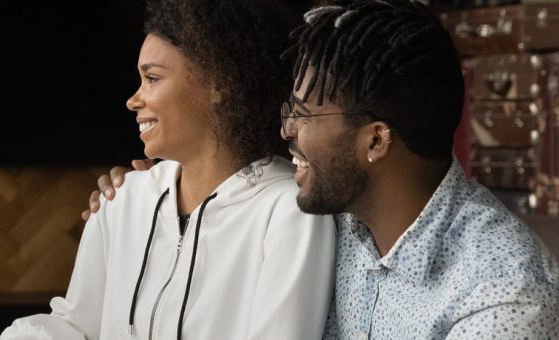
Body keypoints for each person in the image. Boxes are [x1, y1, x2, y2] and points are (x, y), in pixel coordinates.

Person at [91, 0, 559, 338]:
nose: (286, 130)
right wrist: (145, 196)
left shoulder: (503, 299)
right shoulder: (332, 218)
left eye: (305, 114)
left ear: (375, 140)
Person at [1, 0, 335, 339]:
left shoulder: (291, 212)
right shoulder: (121, 200)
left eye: (152, 78)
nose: (134, 99)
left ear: (220, 84)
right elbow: (76, 325)